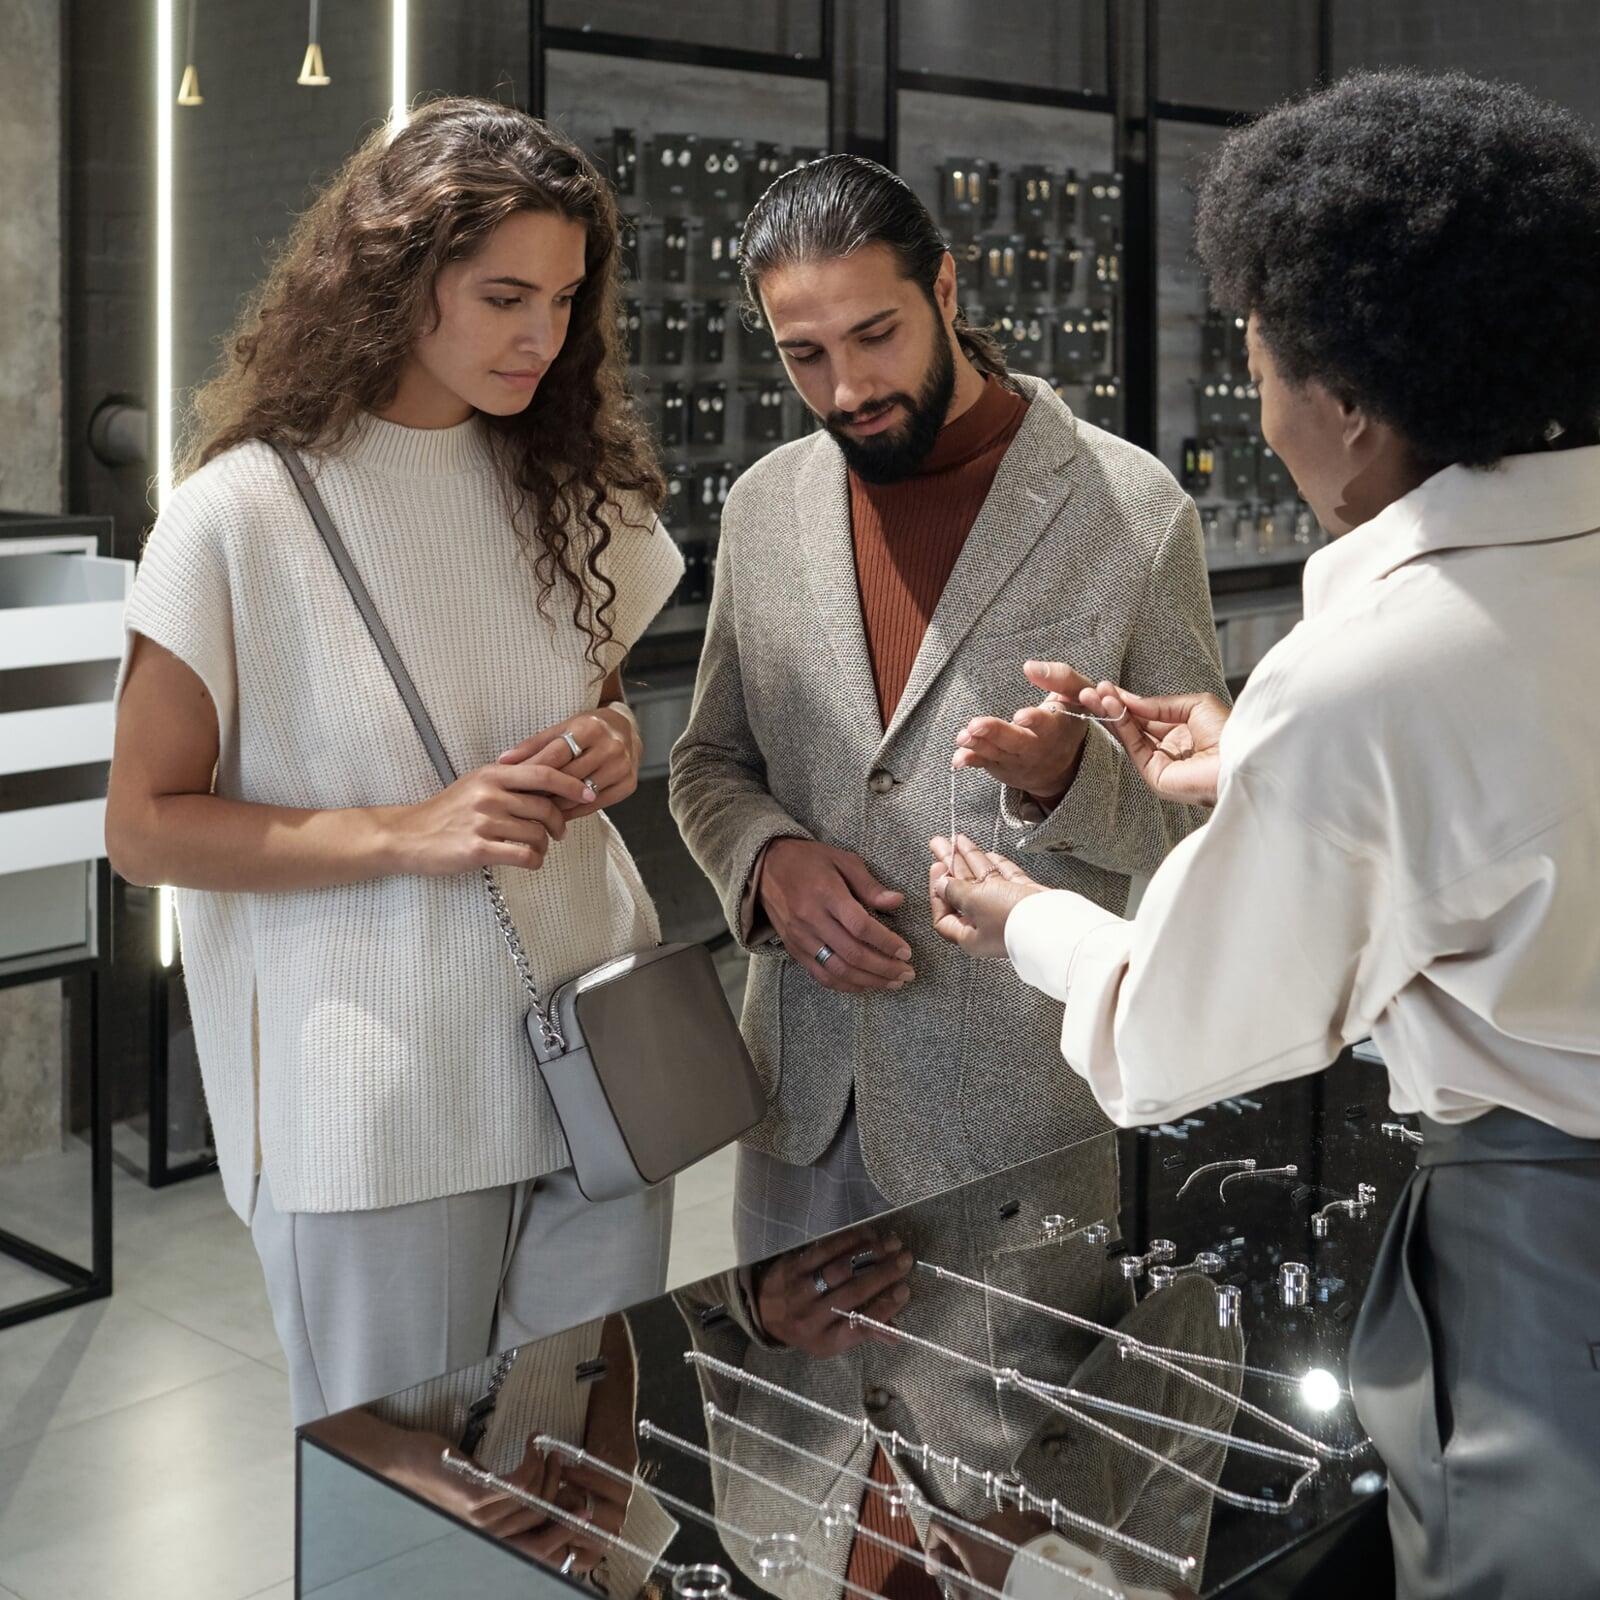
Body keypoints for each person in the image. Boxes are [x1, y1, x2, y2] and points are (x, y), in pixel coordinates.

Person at [927, 70, 1600, 1600]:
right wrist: (1260, 774)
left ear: (1350, 408)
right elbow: (1525, 807)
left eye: (1263, 371)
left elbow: (1181, 1034)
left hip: (1551, 1251)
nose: (1263, 409)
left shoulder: (1366, 670)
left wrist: (1027, 916)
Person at [105, 98, 685, 1425]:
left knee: (573, 1484)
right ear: (394, 277)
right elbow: (143, 826)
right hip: (379, 1106)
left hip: (598, 1057)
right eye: (501, 297)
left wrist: (610, 741)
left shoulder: (570, 485)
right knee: (407, 1528)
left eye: (563, 299)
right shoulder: (239, 513)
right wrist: (410, 830)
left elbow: (594, 709)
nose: (540, 337)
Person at [668, 155, 1227, 1263]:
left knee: (1023, 1433)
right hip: (802, 1106)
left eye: (875, 335)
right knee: (790, 1432)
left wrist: (1069, 778)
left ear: (948, 292)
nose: (844, 390)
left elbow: (1206, 820)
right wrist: (768, 860)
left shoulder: (1129, 509)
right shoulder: (765, 508)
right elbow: (708, 761)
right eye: (804, 355)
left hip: (1024, 1125)